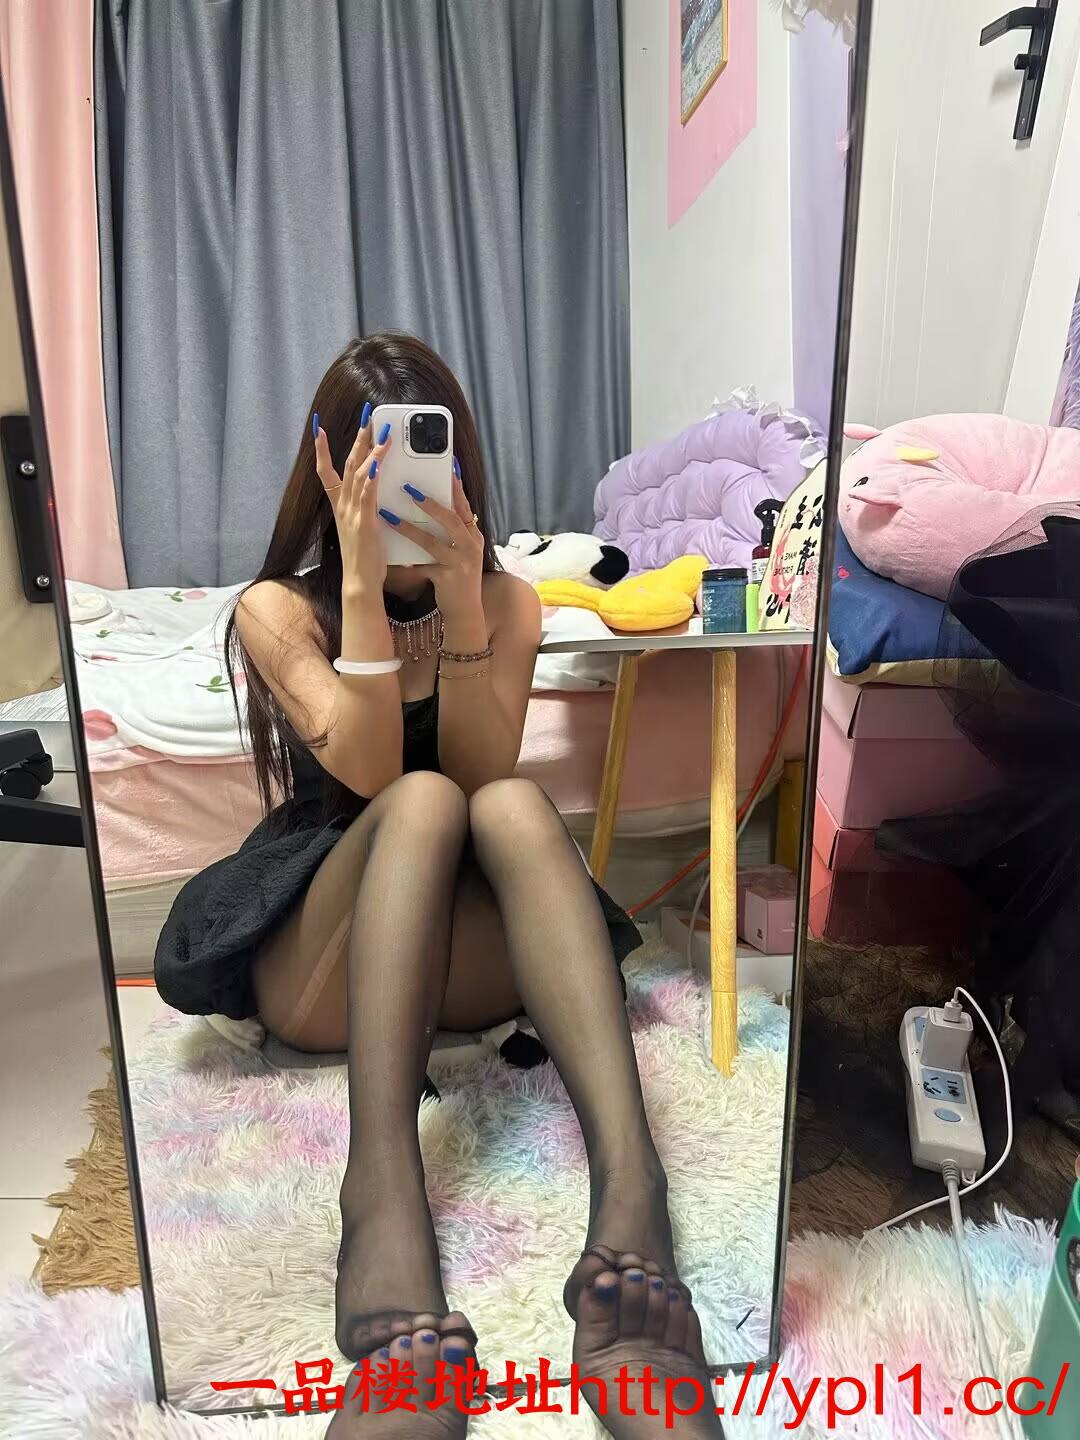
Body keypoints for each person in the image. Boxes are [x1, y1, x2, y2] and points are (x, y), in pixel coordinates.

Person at [155, 333, 723, 1439]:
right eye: (380, 464)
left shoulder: (507, 603)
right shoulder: (279, 608)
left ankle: (633, 1193)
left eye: (430, 457)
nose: (410, 486)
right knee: (415, 804)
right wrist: (363, 588)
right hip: (330, 954)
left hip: (463, 955)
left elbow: (477, 769)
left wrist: (465, 603)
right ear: (332, 471)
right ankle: (380, 1195)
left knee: (504, 804)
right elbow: (377, 773)